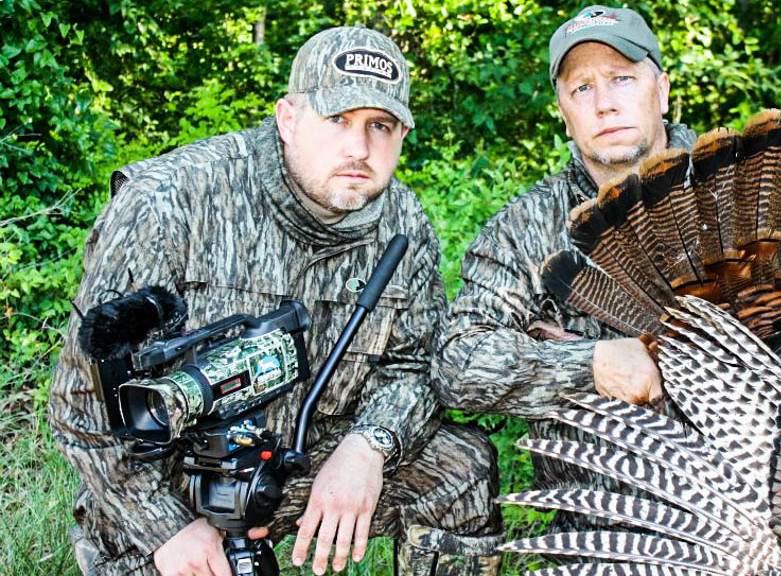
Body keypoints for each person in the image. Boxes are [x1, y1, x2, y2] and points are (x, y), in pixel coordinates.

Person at [49, 26, 502, 576]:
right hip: (181, 481)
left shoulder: (403, 222)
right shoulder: (170, 201)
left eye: (378, 126)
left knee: (463, 468)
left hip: (308, 457)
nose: (359, 148)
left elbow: (415, 364)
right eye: (337, 120)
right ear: (288, 119)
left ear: (403, 134)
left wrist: (369, 446)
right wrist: (165, 528)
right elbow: (82, 403)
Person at [432, 5, 695, 535]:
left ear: (661, 90)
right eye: (582, 89)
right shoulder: (526, 226)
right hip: (604, 531)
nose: (605, 104)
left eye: (622, 78)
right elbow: (457, 362)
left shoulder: (747, 188)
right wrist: (589, 364)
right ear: (563, 110)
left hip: (767, 515)